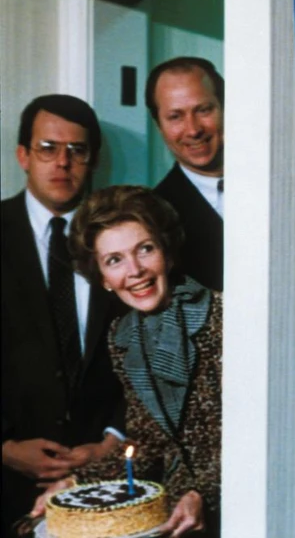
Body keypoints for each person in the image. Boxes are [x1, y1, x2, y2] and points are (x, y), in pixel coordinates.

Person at [30, 186, 223, 537]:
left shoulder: (222, 318)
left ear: (167, 252)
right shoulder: (123, 337)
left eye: (145, 249)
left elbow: (254, 435)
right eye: (114, 260)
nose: (134, 271)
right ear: (102, 278)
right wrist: (75, 482)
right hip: (176, 516)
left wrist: (203, 493)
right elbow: (147, 444)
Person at [1, 95, 125, 538]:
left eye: (77, 150)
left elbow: (147, 352)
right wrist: (4, 448)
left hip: (104, 483)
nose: (62, 162)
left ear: (93, 161)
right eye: (48, 148)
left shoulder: (122, 239)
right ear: (23, 155)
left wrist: (113, 439)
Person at [146, 57, 225, 292]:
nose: (193, 130)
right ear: (159, 126)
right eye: (175, 117)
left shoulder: (274, 184)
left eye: (203, 110)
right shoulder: (151, 214)